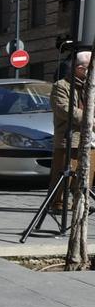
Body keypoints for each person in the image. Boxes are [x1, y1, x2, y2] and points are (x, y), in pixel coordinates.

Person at [49, 51, 94, 209]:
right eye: (91, 68)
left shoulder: (92, 87)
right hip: (70, 139)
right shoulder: (61, 85)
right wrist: (91, 118)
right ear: (81, 68)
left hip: (90, 139)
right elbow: (65, 110)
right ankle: (57, 203)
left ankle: (80, 204)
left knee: (85, 177)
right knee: (63, 176)